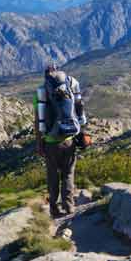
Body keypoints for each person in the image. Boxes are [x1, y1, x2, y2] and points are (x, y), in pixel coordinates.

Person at [35, 64, 87, 218]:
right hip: (69, 139)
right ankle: (69, 206)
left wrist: (39, 143)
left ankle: (54, 208)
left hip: (51, 141)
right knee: (68, 174)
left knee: (52, 176)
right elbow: (79, 109)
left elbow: (38, 121)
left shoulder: (42, 92)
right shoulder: (70, 86)